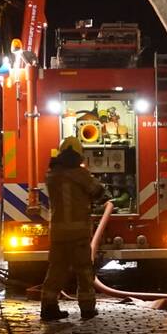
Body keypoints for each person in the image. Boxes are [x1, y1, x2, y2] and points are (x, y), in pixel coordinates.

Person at [39, 136, 106, 321]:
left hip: (59, 233)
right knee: (84, 270)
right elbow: (98, 192)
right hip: (78, 233)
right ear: (78, 155)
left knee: (56, 270)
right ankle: (87, 309)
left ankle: (48, 307)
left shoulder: (51, 175)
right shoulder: (80, 174)